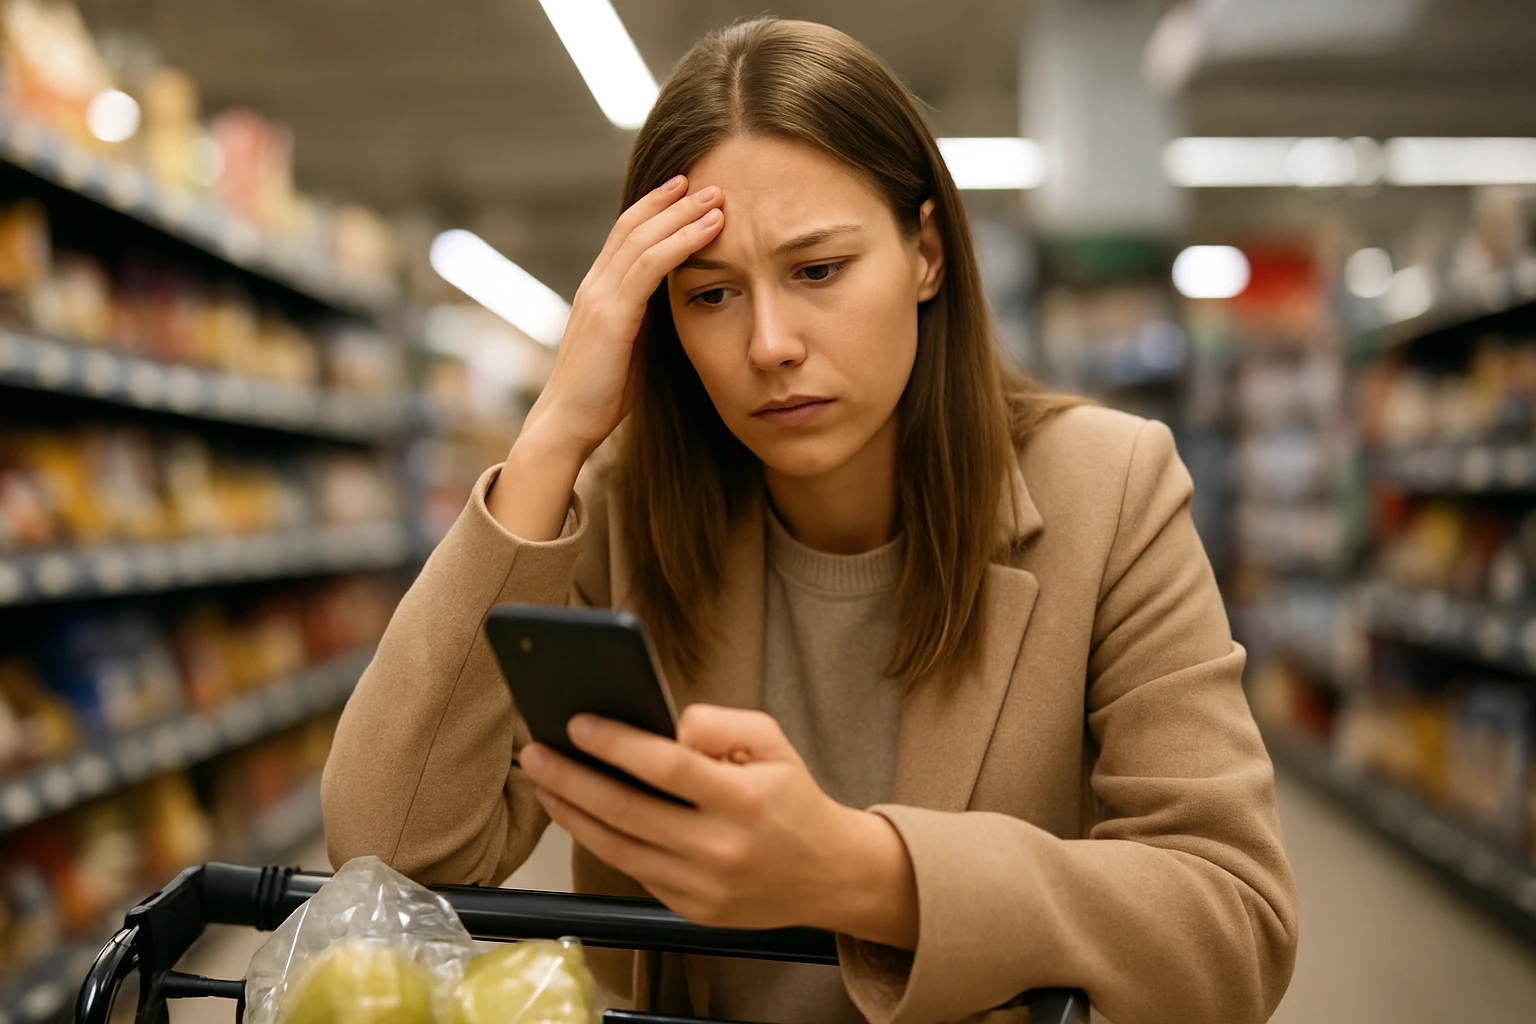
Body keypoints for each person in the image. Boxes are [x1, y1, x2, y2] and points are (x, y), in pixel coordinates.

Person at [322, 16, 1297, 1024]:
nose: (771, 342)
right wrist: (551, 440)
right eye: (710, 294)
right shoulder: (616, 510)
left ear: (926, 252)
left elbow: (1232, 928)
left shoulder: (1113, 489)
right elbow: (391, 855)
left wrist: (860, 872)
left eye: (818, 270)